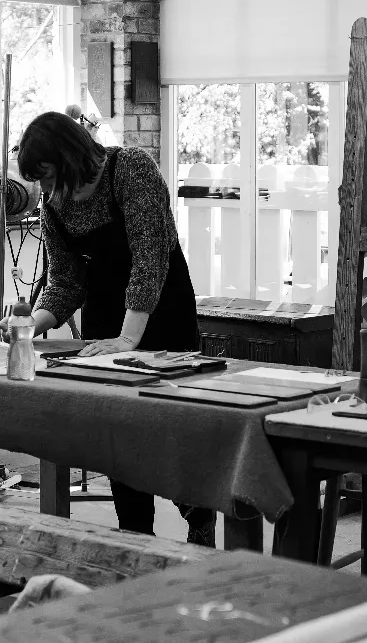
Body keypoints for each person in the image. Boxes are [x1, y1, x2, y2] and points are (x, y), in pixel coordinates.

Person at [16, 110, 217, 547]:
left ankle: (198, 511)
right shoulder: (55, 208)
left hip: (161, 313)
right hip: (108, 323)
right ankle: (135, 541)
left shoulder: (130, 168)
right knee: (120, 437)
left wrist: (128, 339)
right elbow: (65, 283)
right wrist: (29, 326)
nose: (46, 191)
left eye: (47, 177)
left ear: (67, 156)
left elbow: (149, 260)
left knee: (169, 427)